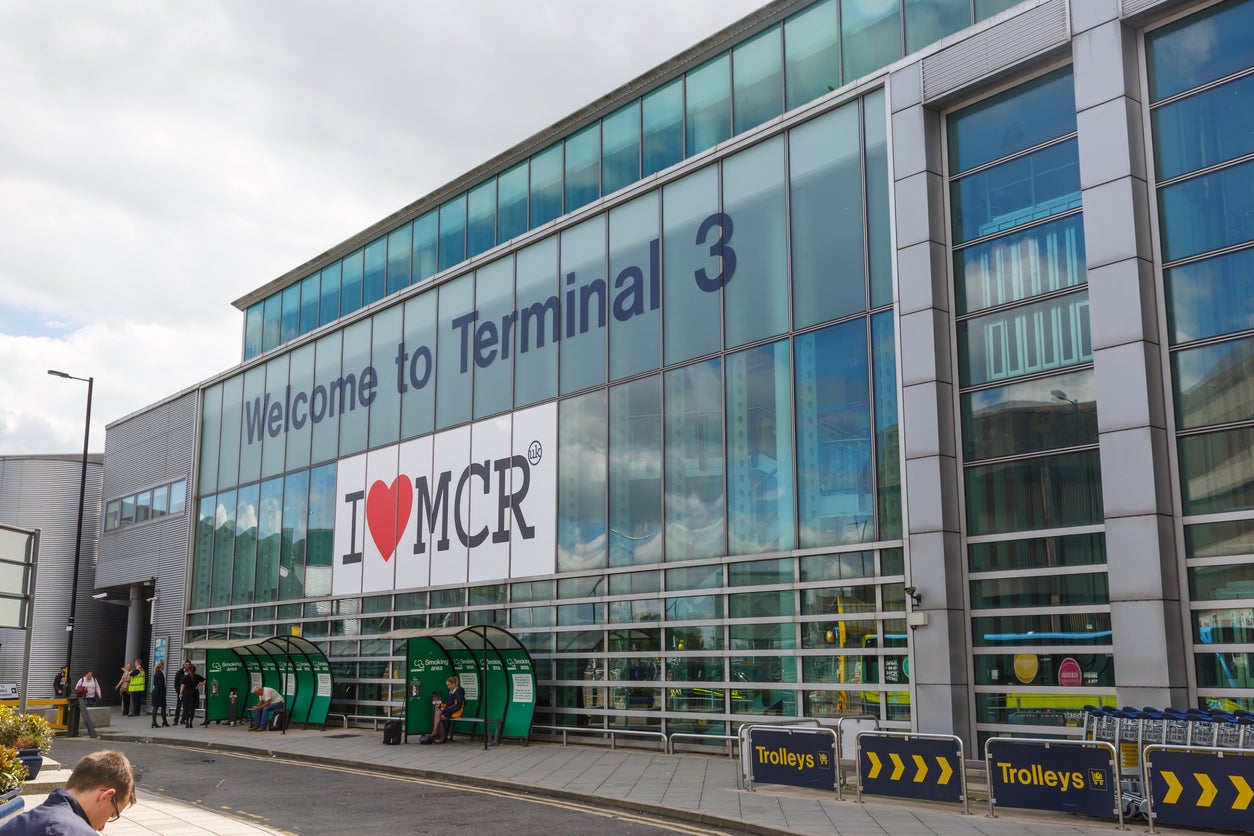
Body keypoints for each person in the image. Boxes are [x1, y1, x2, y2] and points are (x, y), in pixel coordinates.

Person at [0, 749, 136, 834]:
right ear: (106, 796)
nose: (102, 828)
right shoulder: (72, 831)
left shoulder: (20, 823)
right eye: (111, 815)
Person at [430, 675, 465, 744]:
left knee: (438, 714)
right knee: (439, 714)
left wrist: (446, 709)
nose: (448, 687)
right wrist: (441, 706)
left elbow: (458, 706)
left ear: (454, 684)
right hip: (450, 709)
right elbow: (448, 704)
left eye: (449, 685)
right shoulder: (451, 691)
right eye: (447, 685)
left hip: (456, 711)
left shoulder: (458, 692)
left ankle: (437, 732)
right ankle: (441, 736)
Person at [150, 662, 169, 728]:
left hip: (155, 692)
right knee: (163, 707)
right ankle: (165, 722)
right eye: (163, 666)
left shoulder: (155, 673)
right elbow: (161, 684)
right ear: (161, 666)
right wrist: (164, 689)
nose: (164, 667)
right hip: (160, 693)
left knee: (155, 707)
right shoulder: (160, 674)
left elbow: (155, 684)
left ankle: (154, 722)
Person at [172, 660, 191, 725]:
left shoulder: (191, 673)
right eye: (186, 664)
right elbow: (176, 682)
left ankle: (183, 720)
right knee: (178, 706)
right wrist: (178, 691)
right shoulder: (179, 672)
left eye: (188, 665)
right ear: (184, 665)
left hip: (187, 692)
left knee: (186, 706)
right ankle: (175, 720)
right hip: (180, 692)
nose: (187, 666)